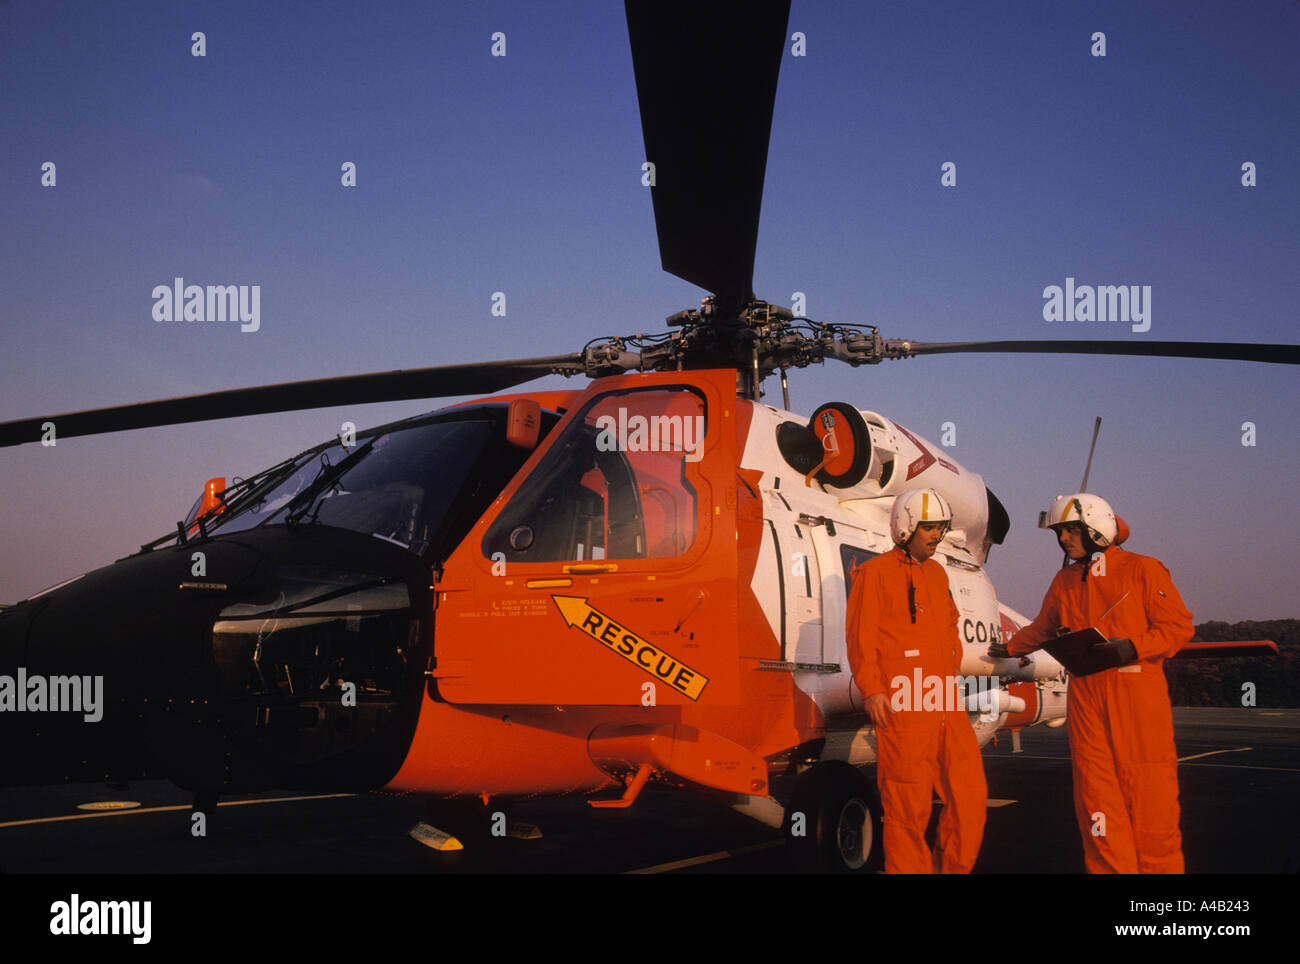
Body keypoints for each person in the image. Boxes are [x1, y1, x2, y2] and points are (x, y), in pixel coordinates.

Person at [993, 493, 1193, 873]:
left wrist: (1133, 647)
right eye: (1060, 532)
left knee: (1151, 799)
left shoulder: (1144, 569)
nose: (1065, 539)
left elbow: (1178, 627)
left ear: (1096, 528)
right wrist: (1009, 647)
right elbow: (1044, 627)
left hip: (1136, 697)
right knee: (1096, 801)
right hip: (1086, 699)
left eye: (1071, 530)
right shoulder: (1064, 579)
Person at [846, 488, 987, 873]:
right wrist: (872, 689)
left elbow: (951, 622)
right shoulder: (874, 573)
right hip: (905, 704)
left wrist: (952, 660)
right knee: (908, 807)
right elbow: (861, 637)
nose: (936, 536)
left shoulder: (938, 573)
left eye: (941, 528)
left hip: (945, 701)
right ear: (906, 527)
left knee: (970, 796)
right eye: (929, 527)